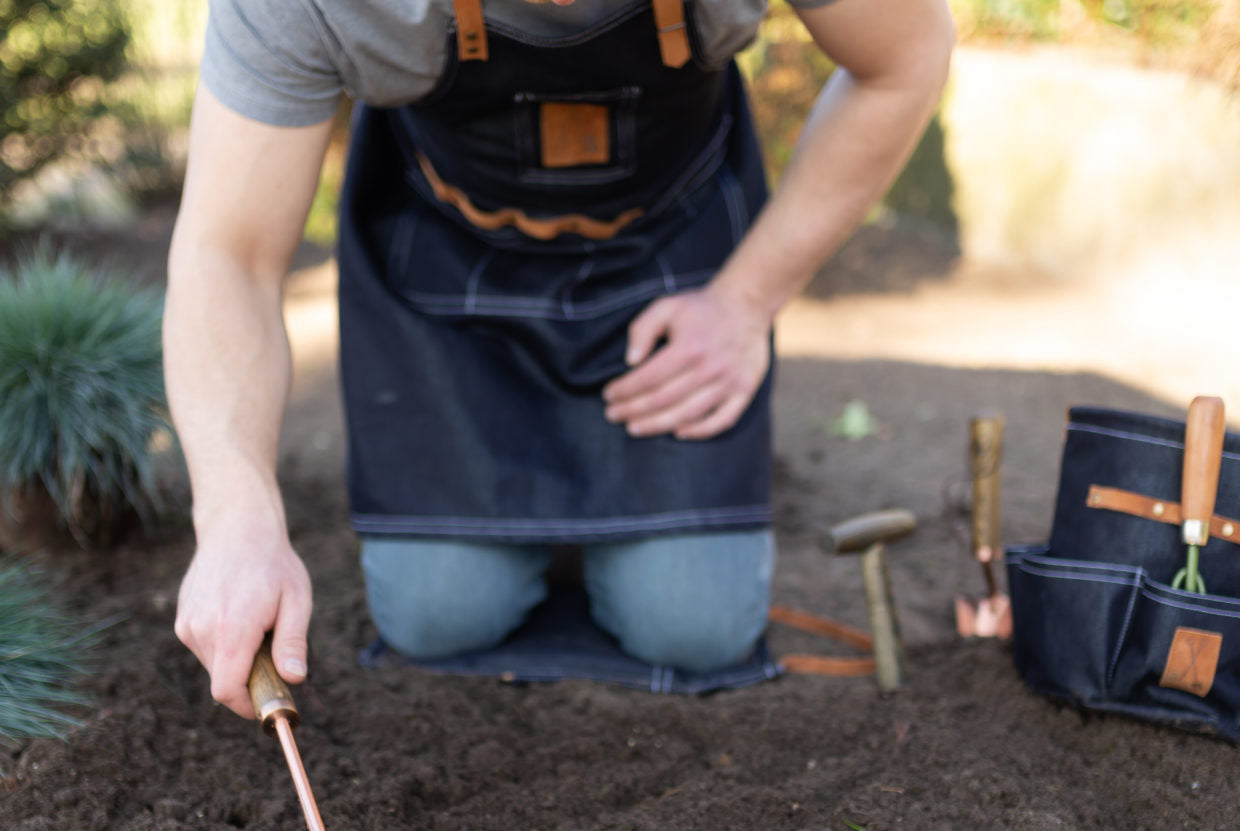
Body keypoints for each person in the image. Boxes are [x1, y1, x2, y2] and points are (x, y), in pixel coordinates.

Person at [166, 0, 955, 717]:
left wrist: (746, 300)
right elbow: (227, 255)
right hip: (448, 275)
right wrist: (237, 518)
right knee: (440, 617)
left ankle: (601, 533)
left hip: (669, 265)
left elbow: (905, 57)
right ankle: (562, 530)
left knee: (693, 627)